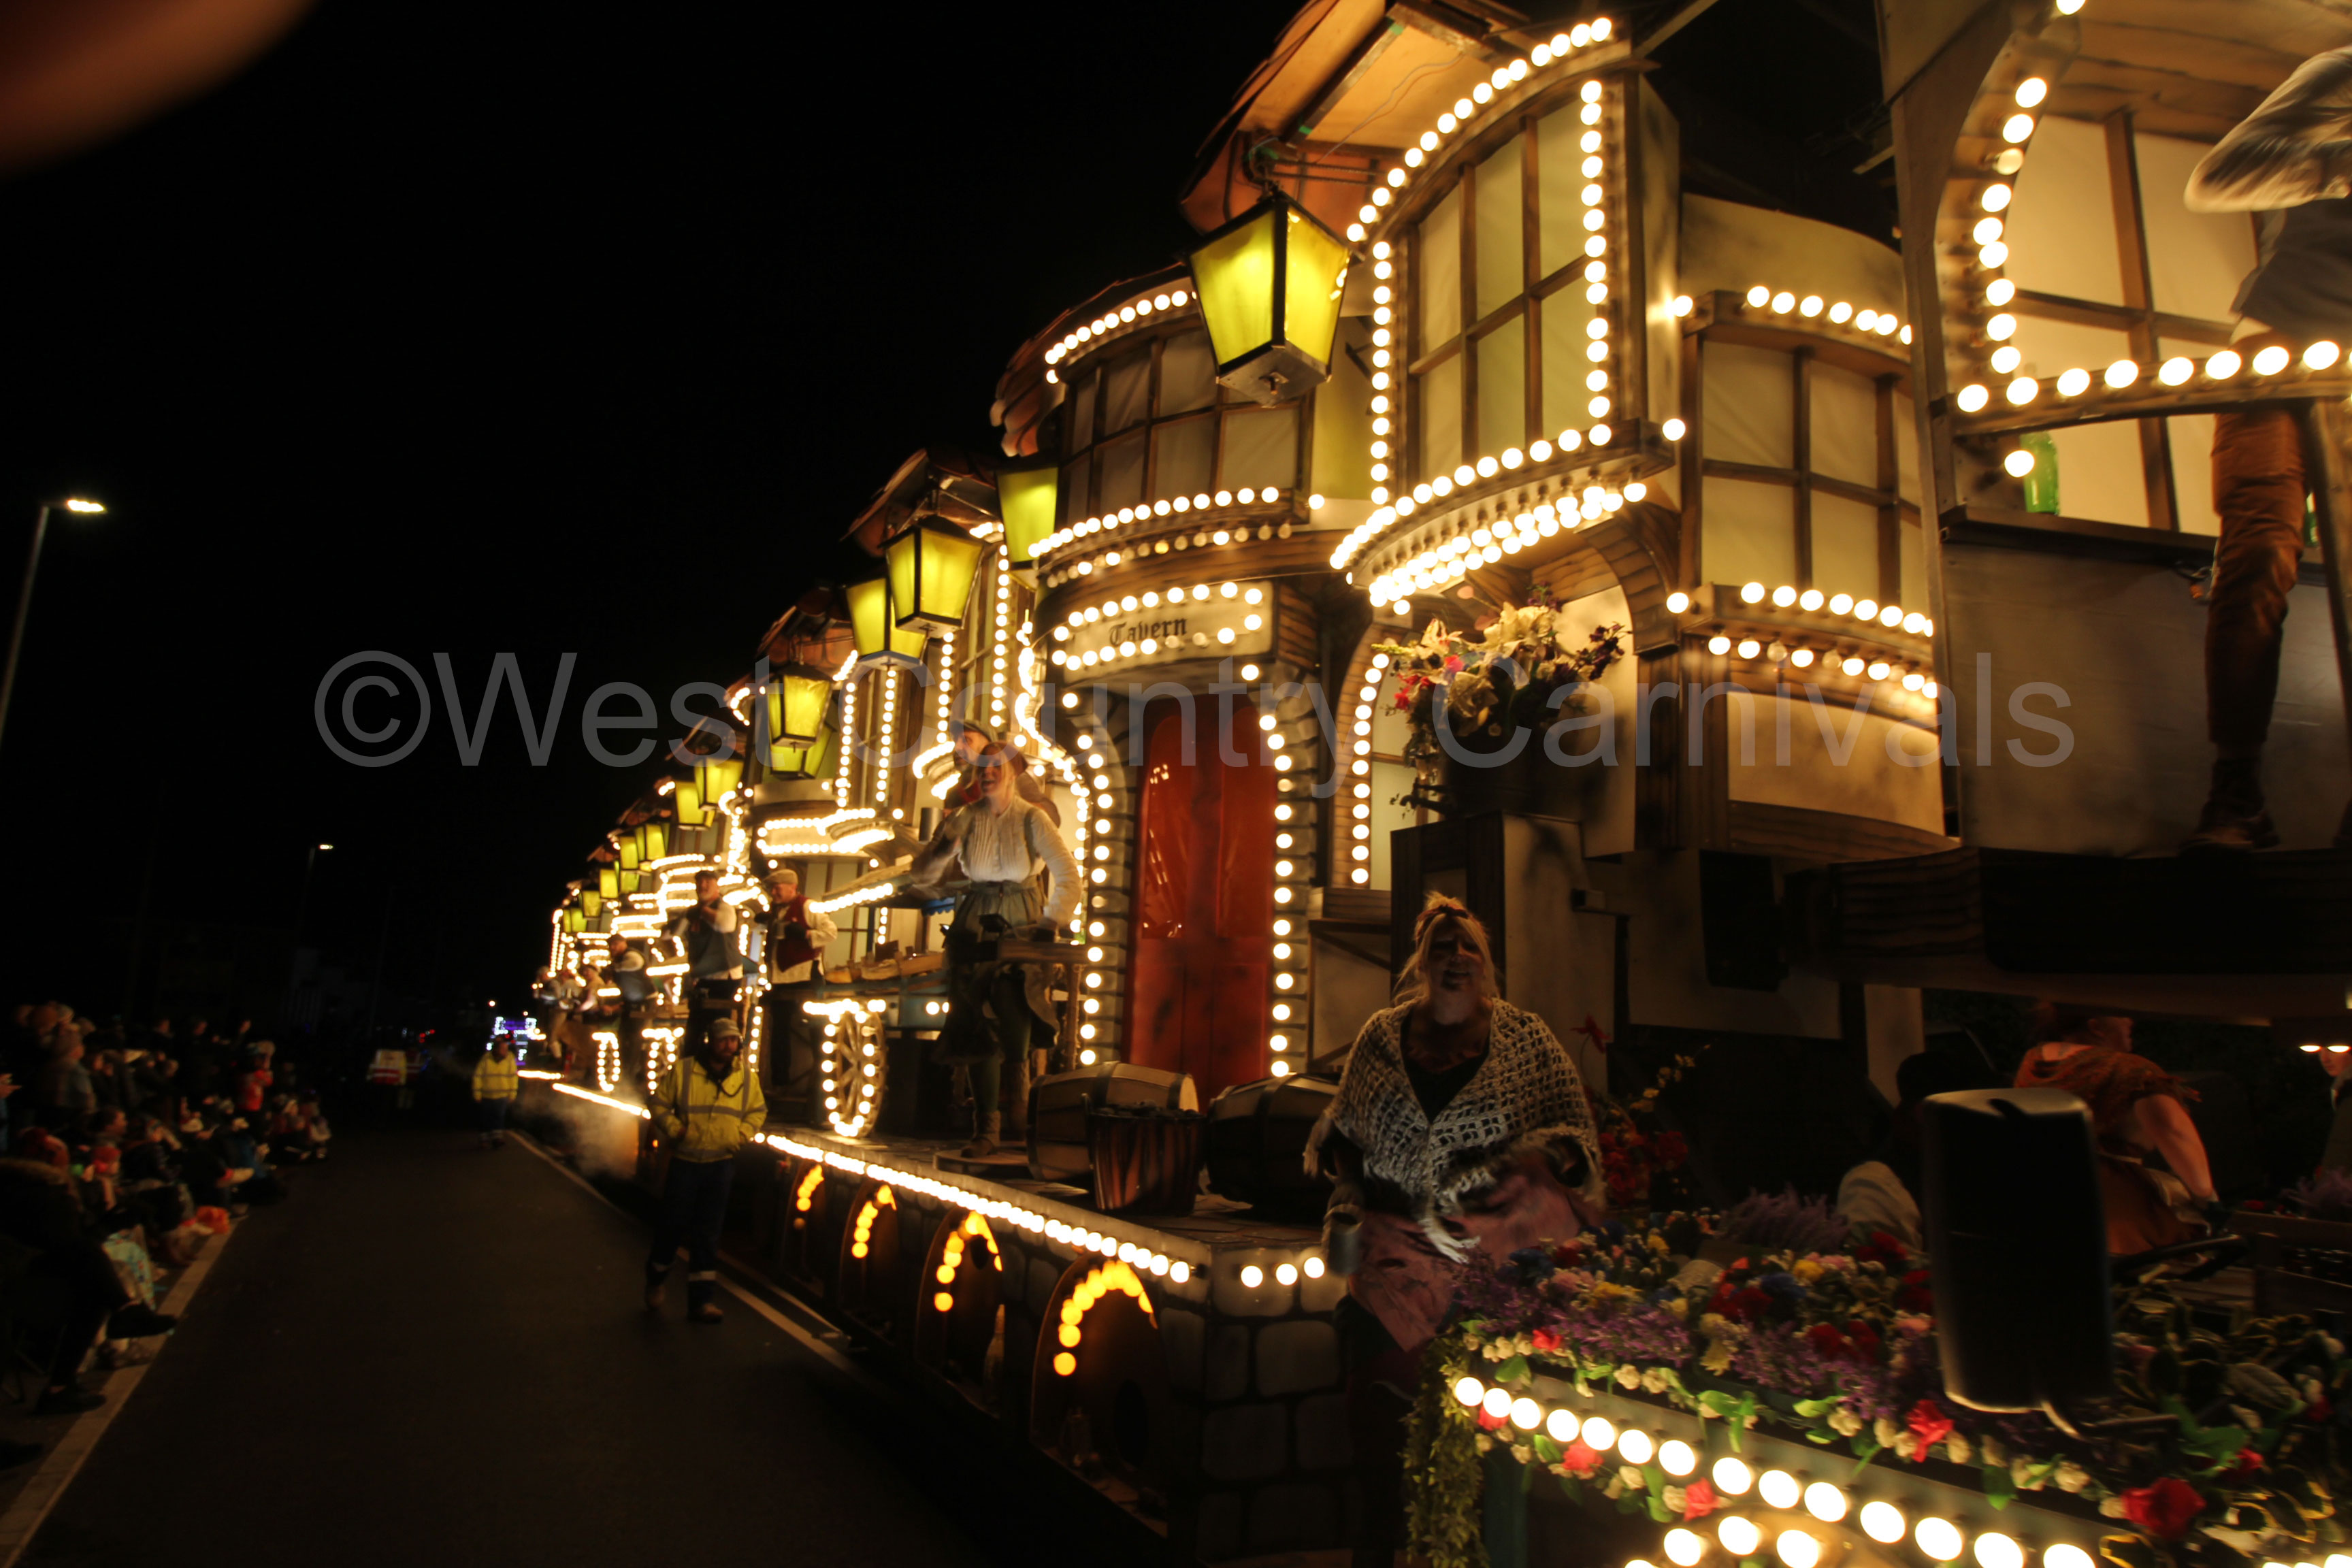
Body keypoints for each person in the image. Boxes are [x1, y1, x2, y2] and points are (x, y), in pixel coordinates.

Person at [1309, 894, 1602, 1568]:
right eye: (1442, 947)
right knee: (1382, 1434)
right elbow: (1346, 1128)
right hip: (1391, 1253)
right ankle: (1383, 1543)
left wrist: (1536, 1162)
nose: (1457, 957)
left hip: (1492, 1265)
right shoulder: (1383, 1036)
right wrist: (1347, 1186)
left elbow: (1573, 1132)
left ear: (1486, 963)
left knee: (1481, 1443)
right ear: (1421, 963)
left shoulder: (1526, 1039)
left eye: (1469, 946)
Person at [2181, 49, 2352, 851]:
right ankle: (2236, 790)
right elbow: (2217, 180)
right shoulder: (2346, 69)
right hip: (2281, 348)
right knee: (2256, 553)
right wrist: (2339, 165)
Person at [932, 739, 1079, 1158]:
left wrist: (1050, 923)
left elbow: (1068, 874)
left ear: (1013, 773)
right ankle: (986, 1130)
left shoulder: (1033, 819)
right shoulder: (967, 818)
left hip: (1021, 922)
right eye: (982, 767)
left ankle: (1019, 1119)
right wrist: (939, 849)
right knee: (975, 1024)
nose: (988, 772)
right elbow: (928, 871)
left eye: (996, 766)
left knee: (1015, 1015)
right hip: (974, 922)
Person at [2014, 1006, 2218, 1254]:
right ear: (2096, 1027)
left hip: (2044, 1202)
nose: (2130, 1021)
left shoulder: (2035, 1061)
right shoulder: (2131, 1071)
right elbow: (2173, 1131)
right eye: (2120, 1015)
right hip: (2112, 1211)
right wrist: (2208, 1200)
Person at [644, 1016, 765, 1323]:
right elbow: (658, 1104)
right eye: (723, 1040)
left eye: (733, 1040)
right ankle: (656, 1279)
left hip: (720, 1164)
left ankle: (702, 1302)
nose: (729, 1046)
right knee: (671, 1227)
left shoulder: (746, 1077)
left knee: (708, 1234)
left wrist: (740, 1136)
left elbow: (757, 1112)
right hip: (686, 1162)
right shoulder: (684, 1071)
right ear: (710, 1042)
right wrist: (676, 1130)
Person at [1835, 1049, 2001, 1252]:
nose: (1990, 1128)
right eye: (1979, 1113)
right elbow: (1886, 1267)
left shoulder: (1973, 1170)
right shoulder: (1876, 1183)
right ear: (1925, 1114)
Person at [666, 869, 746, 1051]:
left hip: (724, 975)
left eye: (707, 882)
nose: (702, 886)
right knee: (697, 1027)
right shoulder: (692, 912)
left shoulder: (724, 907)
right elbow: (671, 933)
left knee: (718, 1024)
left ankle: (720, 1055)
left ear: (717, 886)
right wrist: (685, 917)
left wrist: (702, 911)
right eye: (699, 883)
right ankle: (696, 1056)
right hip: (704, 976)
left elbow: (724, 925)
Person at [762, 868, 837, 985]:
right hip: (777, 978)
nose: (773, 892)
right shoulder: (776, 909)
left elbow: (831, 933)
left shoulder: (808, 906)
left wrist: (806, 934)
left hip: (802, 978)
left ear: (792, 887)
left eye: (777, 888)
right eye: (771, 889)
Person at [472, 1035, 519, 1149]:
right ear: (496, 1049)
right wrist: (477, 1094)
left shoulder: (510, 1060)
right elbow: (478, 1077)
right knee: (485, 1118)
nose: (505, 1051)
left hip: (502, 1095)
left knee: (499, 1117)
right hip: (487, 1095)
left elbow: (513, 1078)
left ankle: (497, 1139)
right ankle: (484, 1140)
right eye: (503, 1049)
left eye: (506, 1049)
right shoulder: (486, 1059)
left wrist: (512, 1094)